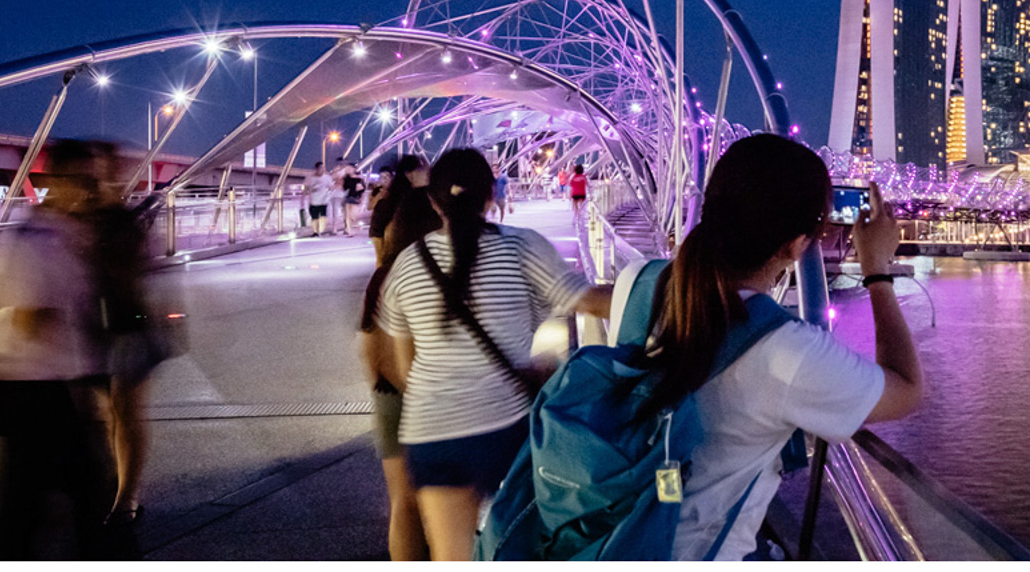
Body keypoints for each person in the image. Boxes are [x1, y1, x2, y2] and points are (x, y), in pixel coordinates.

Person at [599, 135, 922, 560]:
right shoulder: (786, 350)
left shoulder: (638, 282)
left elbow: (601, 299)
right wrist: (877, 270)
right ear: (795, 245)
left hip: (612, 534)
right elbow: (907, 390)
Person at [374, 148, 591, 560]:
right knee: (518, 547)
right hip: (502, 426)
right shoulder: (520, 246)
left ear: (434, 201)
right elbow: (585, 299)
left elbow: (404, 370)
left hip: (430, 431)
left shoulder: (406, 263)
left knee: (451, 557)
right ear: (491, 196)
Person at [0, 139, 136, 559]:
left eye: (92, 182)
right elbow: (29, 319)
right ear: (55, 182)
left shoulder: (66, 234)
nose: (89, 191)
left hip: (47, 387)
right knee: (61, 501)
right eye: (82, 181)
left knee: (27, 508)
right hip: (31, 390)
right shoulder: (36, 242)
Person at [86, 145, 171, 526]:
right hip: (95, 327)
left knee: (127, 411)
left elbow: (141, 272)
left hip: (131, 325)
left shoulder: (123, 220)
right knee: (108, 413)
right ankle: (118, 484)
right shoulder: (86, 218)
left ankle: (127, 496)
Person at [359, 178, 443, 561]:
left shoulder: (383, 275)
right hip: (437, 401)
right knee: (447, 505)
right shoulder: (441, 272)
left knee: (403, 505)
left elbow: (368, 346)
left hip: (390, 398)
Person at [369, 155, 426, 265]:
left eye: (387, 176)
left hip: (384, 230)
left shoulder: (399, 193)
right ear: (410, 175)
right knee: (382, 261)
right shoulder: (402, 196)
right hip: (380, 231)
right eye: (422, 170)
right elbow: (370, 207)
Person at [305, 162, 335, 237]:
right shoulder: (310, 177)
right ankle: (315, 231)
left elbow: (331, 187)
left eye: (322, 168)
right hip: (313, 200)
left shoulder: (327, 177)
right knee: (314, 217)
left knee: (322, 216)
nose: (321, 170)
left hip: (323, 201)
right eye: (320, 168)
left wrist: (329, 194)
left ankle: (321, 230)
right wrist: (309, 190)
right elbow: (306, 187)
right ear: (316, 168)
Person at [341, 164, 367, 236]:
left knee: (353, 215)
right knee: (348, 215)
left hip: (355, 198)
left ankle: (350, 227)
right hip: (348, 197)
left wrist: (361, 197)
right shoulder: (346, 178)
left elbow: (363, 189)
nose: (348, 170)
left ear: (354, 169)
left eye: (350, 168)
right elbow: (344, 188)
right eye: (347, 168)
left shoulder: (359, 179)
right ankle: (350, 231)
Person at [567, 163, 587, 229]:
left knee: (576, 207)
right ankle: (581, 218)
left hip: (575, 193)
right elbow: (587, 185)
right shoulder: (583, 177)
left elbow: (569, 184)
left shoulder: (573, 177)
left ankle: (576, 217)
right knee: (581, 207)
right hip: (582, 193)